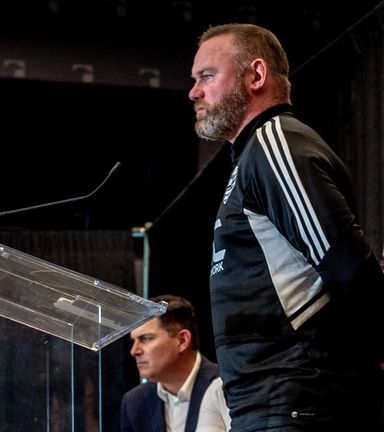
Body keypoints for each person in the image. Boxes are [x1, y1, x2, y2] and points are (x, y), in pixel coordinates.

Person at [189, 23, 384, 431]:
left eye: (207, 76)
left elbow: (352, 273)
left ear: (255, 76)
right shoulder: (249, 159)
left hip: (300, 406)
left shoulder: (274, 144)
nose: (194, 91)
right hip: (268, 407)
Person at [120, 295, 230, 432]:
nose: (134, 351)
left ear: (182, 340)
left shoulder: (228, 386)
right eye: (133, 341)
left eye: (145, 339)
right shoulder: (134, 403)